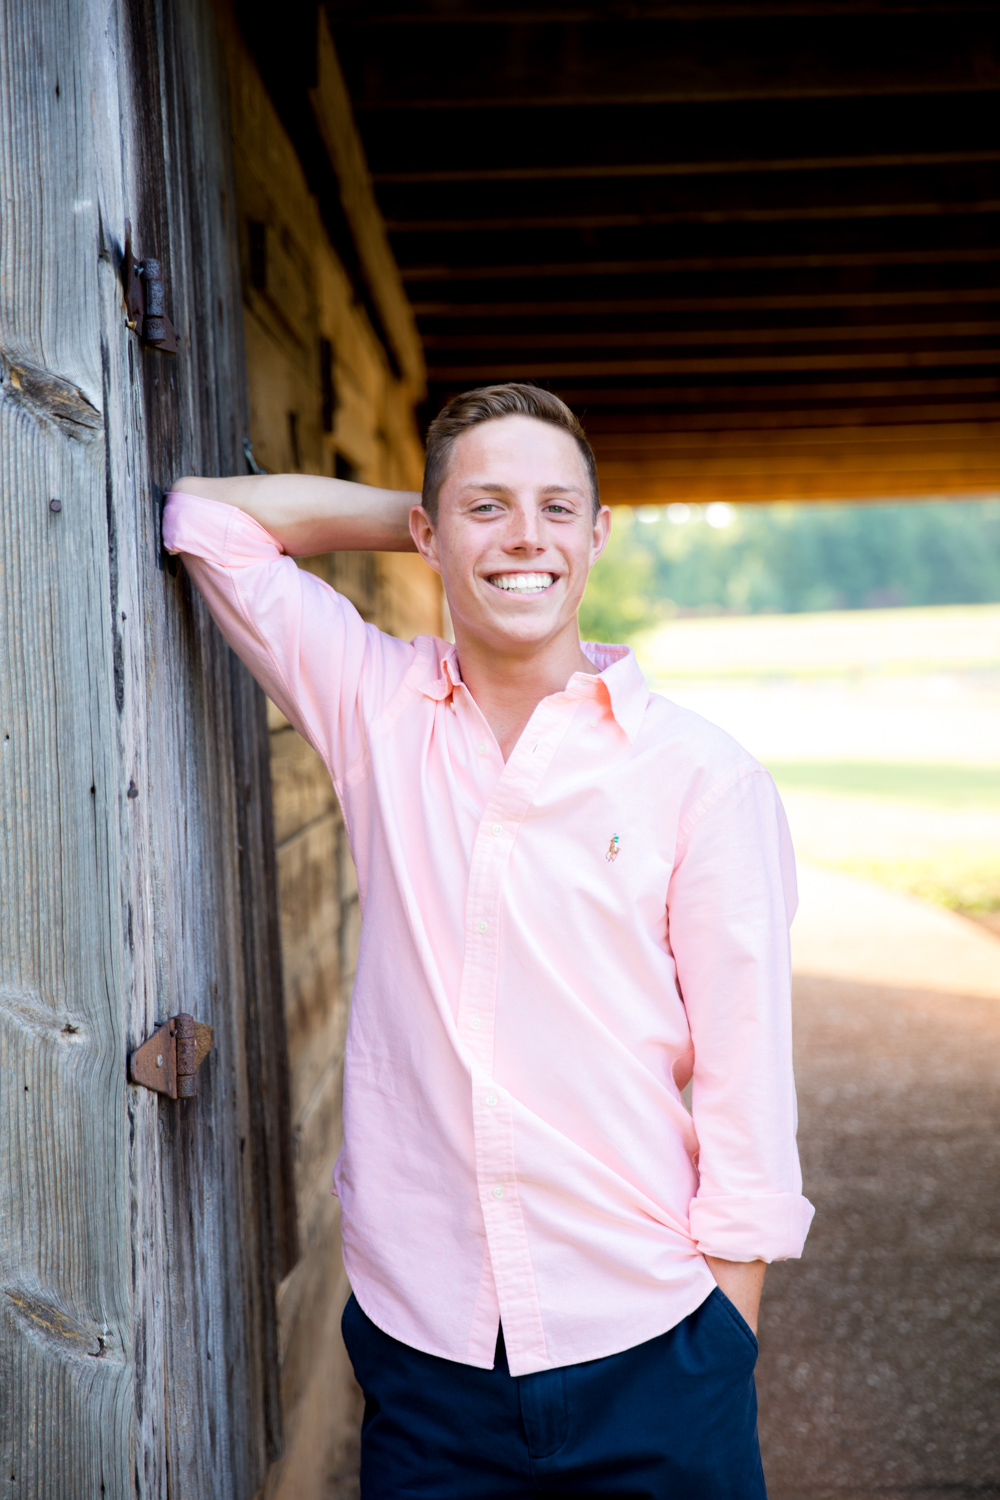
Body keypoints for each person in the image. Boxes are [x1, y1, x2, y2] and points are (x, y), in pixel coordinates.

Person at [165, 382, 813, 1499]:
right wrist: (426, 513)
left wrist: (726, 1323)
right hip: (429, 1358)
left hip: (655, 1338)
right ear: (427, 533)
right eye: (487, 507)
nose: (526, 536)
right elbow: (208, 520)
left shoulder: (702, 777)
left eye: (559, 509)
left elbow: (746, 1072)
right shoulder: (376, 709)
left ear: (599, 535)